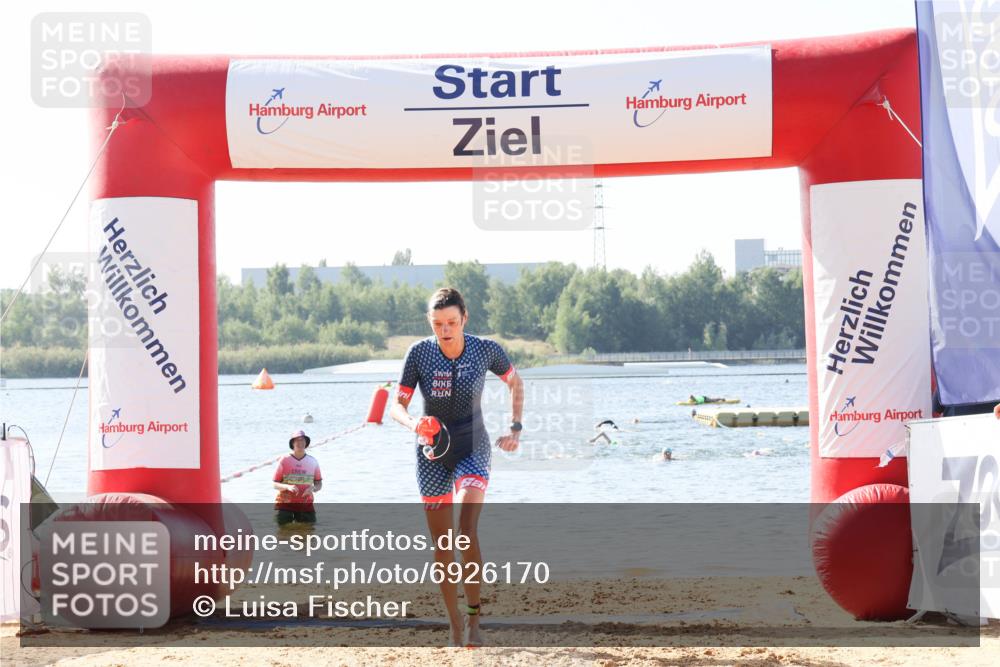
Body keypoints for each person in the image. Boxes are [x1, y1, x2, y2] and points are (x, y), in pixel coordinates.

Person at [389, 287, 524, 647]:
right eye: (437, 324)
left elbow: (515, 381)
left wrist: (515, 427)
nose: (444, 330)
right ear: (429, 324)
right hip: (431, 451)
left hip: (472, 445)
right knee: (443, 544)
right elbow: (396, 406)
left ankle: (475, 618)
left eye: (451, 322)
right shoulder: (418, 354)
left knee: (465, 530)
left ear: (464, 318)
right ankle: (453, 623)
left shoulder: (485, 349)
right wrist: (414, 423)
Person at [272, 430, 323, 525]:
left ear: (306, 443)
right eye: (297, 440)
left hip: (305, 504)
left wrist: (313, 488)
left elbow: (319, 483)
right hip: (285, 504)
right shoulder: (284, 460)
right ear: (292, 443)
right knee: (283, 535)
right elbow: (274, 484)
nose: (300, 443)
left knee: (308, 535)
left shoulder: (313, 461)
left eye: (303, 440)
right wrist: (287, 487)